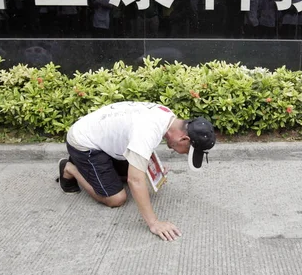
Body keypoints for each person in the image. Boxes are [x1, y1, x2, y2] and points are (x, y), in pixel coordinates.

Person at [57, 101, 216, 241]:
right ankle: (70, 168)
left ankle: (91, 167)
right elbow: (135, 180)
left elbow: (139, 141)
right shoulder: (148, 130)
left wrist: (154, 170)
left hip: (103, 138)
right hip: (84, 143)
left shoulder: (167, 117)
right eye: (187, 151)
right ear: (184, 139)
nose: (182, 153)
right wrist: (154, 223)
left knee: (129, 176)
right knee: (116, 198)